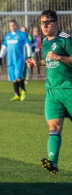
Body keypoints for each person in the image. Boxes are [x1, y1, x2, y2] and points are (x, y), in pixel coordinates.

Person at [26, 10, 72, 175]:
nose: (44, 25)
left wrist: (61, 58)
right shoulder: (45, 42)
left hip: (69, 89)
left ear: (56, 23)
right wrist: (37, 63)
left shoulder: (65, 39)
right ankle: (53, 162)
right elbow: (49, 59)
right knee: (53, 127)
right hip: (52, 93)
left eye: (48, 22)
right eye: (42, 23)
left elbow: (61, 58)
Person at [0, 19, 32, 101]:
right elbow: (4, 47)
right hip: (10, 59)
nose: (12, 27)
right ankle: (17, 95)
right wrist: (0, 57)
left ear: (17, 25)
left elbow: (28, 45)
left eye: (14, 25)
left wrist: (29, 56)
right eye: (10, 25)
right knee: (13, 77)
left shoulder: (22, 34)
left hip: (19, 59)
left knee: (18, 76)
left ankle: (23, 91)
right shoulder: (8, 36)